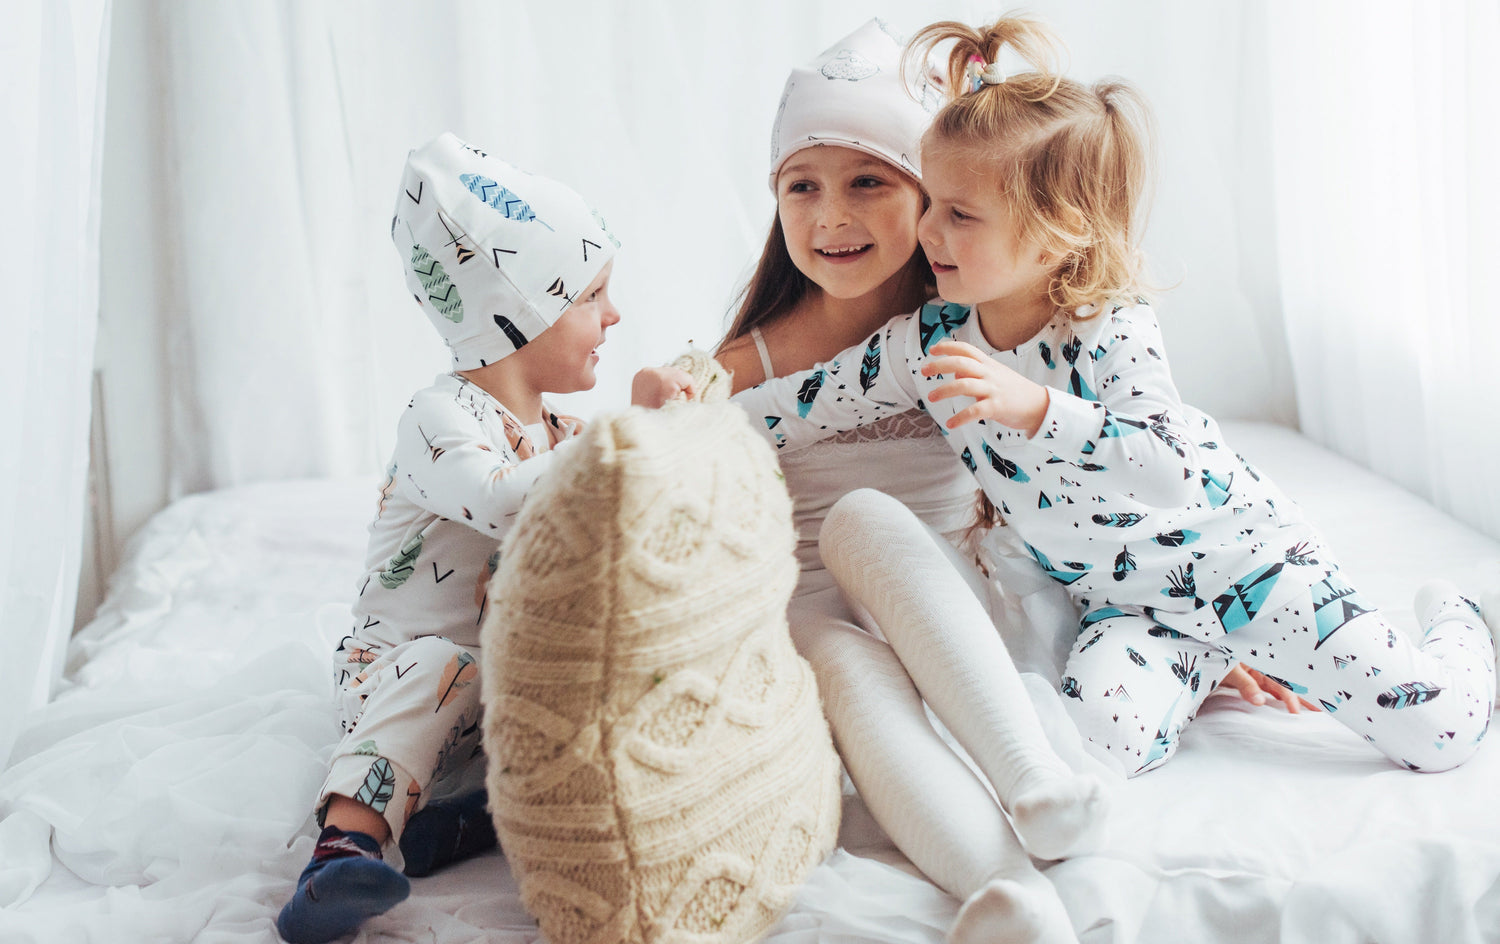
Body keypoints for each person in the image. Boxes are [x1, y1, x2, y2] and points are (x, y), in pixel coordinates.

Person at [734, 13, 1498, 790]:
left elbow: (1168, 468)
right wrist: (688, 416)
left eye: (960, 214)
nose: (929, 229)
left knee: (1436, 732)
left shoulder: (1109, 327)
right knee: (1094, 746)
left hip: (1245, 571)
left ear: (1056, 233)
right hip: (1125, 606)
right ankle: (1202, 662)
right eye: (933, 202)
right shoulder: (926, 345)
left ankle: (1460, 619)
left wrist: (1035, 409)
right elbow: (803, 404)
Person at [709, 20, 1099, 944]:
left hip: (944, 606)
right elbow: (660, 472)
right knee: (838, 657)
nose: (830, 215)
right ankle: (1004, 893)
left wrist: (1200, 619)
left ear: (933, 199)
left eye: (869, 182)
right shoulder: (746, 360)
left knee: (867, 518)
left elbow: (1093, 477)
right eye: (800, 186)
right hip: (807, 615)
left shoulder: (967, 323)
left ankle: (1035, 780)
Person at [277, 132, 629, 943]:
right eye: (591, 295)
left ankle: (465, 823)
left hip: (490, 703)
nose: (614, 315)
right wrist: (628, 437)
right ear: (520, 314)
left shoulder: (564, 429)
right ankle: (339, 853)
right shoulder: (437, 419)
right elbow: (507, 504)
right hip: (397, 676)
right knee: (446, 664)